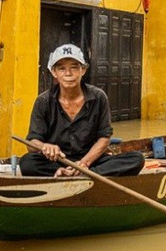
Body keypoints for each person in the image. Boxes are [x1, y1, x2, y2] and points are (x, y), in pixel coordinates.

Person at [19, 44, 144, 177]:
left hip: (90, 160)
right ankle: (62, 172)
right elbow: (32, 143)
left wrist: (84, 163)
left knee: (137, 159)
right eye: (61, 68)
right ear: (54, 72)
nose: (68, 74)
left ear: (83, 70)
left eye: (74, 67)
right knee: (27, 162)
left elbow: (104, 138)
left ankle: (85, 174)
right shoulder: (43, 101)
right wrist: (44, 147)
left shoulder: (98, 97)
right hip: (56, 162)